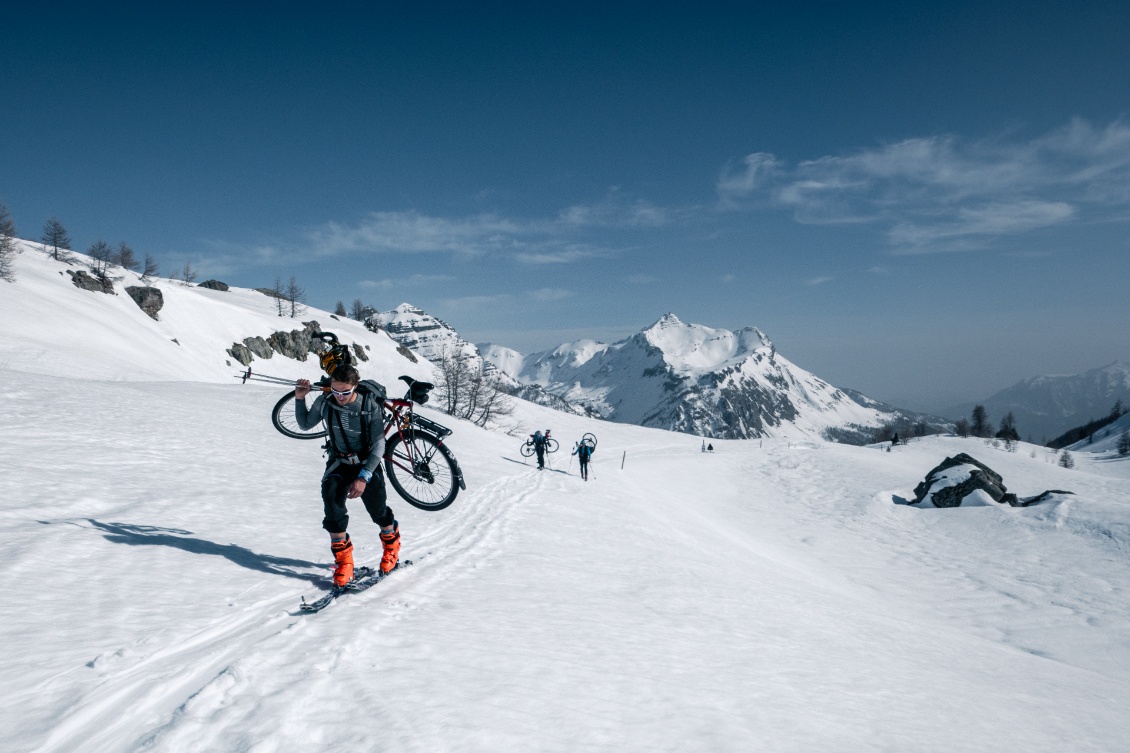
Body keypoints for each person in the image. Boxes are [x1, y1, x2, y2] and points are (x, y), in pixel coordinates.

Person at [295, 365, 400, 586]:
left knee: (378, 511)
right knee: (332, 507)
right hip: (339, 462)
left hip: (366, 464)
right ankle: (345, 563)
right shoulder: (325, 402)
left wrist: (363, 477)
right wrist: (299, 398)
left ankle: (392, 548)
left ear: (355, 387)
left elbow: (379, 445)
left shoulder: (369, 406)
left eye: (345, 392)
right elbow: (305, 424)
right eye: (335, 390)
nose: (339, 397)